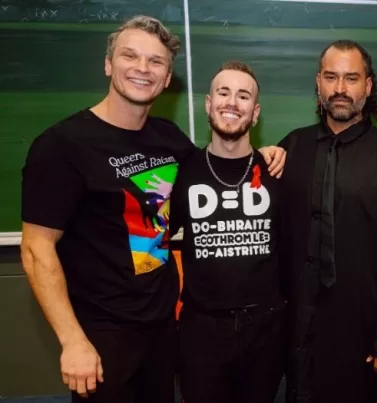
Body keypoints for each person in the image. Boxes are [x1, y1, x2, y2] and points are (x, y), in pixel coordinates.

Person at [19, 16, 284, 403]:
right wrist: (72, 339)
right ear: (108, 64)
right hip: (102, 334)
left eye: (155, 62)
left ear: (166, 78)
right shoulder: (62, 146)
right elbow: (35, 248)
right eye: (130, 56)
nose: (142, 69)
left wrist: (265, 155)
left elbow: (220, 163)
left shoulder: (169, 140)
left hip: (162, 330)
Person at [278, 39, 377, 403]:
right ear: (318, 83)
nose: (340, 89)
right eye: (331, 77)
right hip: (296, 327)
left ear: (368, 86)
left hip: (362, 334)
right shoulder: (291, 148)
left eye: (351, 78)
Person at [170, 60, 285, 403]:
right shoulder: (182, 171)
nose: (232, 102)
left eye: (243, 96)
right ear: (208, 103)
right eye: (223, 93)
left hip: (266, 330)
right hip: (201, 331)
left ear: (256, 111)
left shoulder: (277, 171)